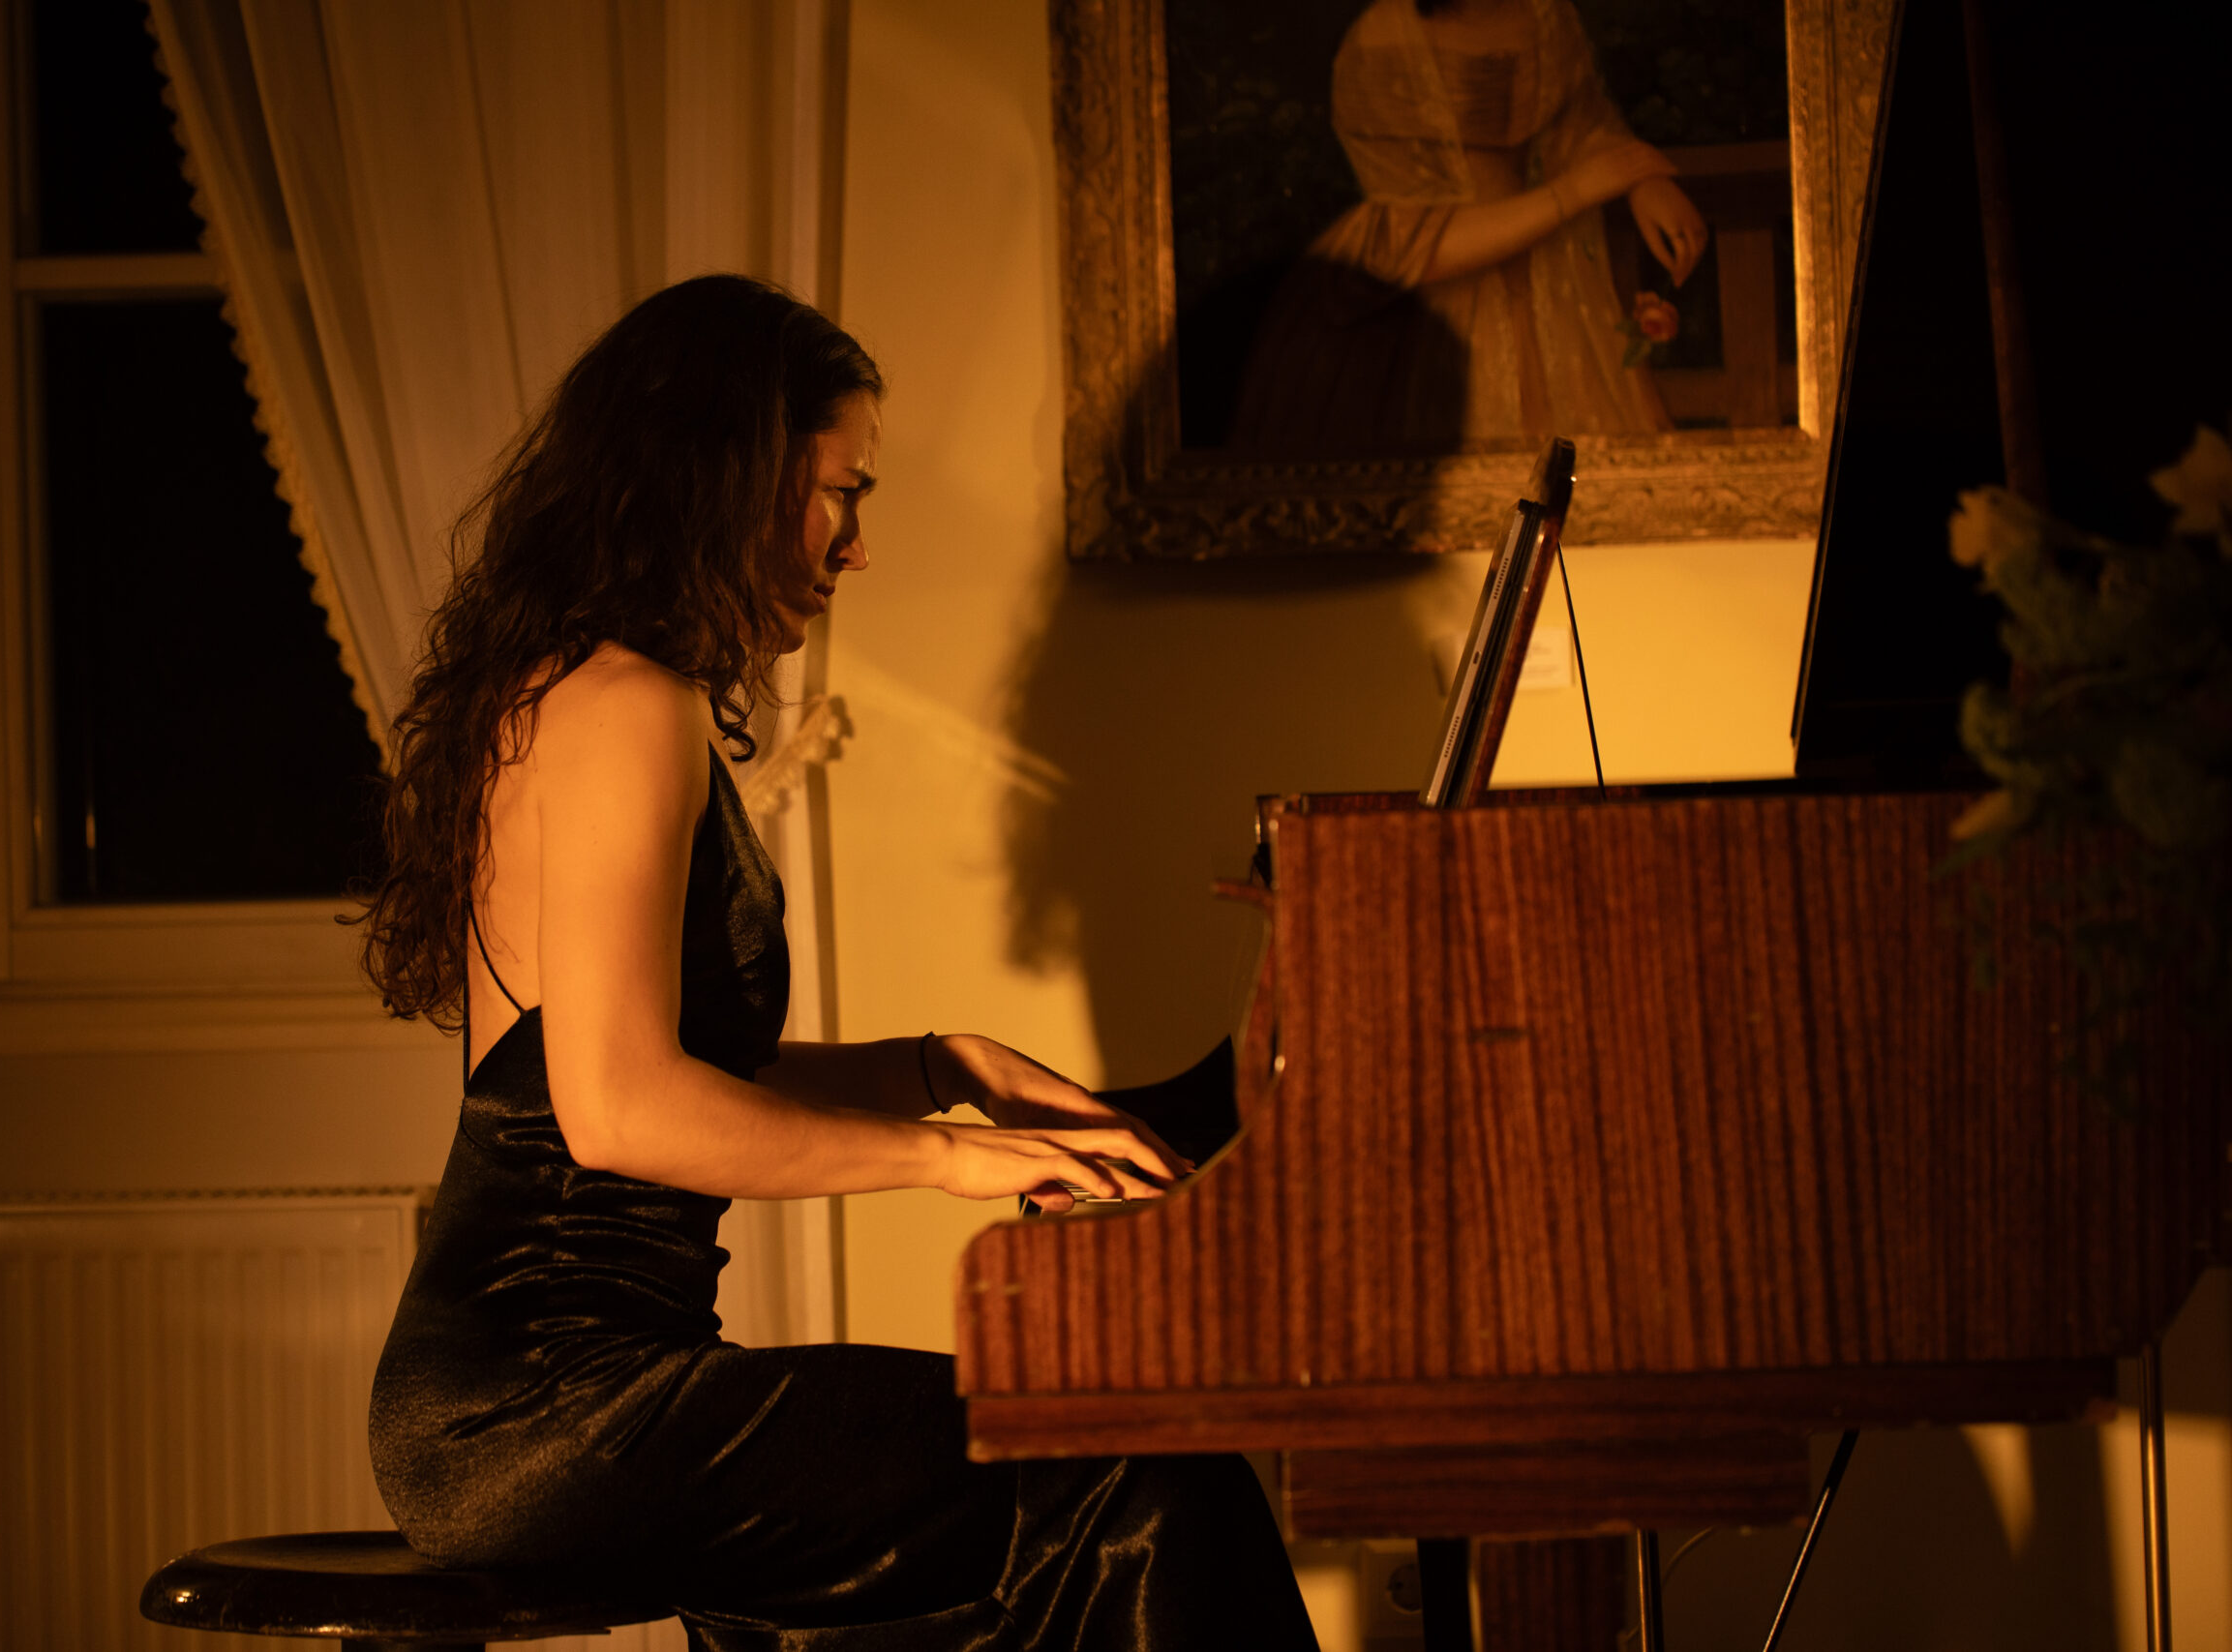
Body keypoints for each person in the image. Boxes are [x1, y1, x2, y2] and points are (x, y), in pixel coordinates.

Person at [358, 275, 1319, 1650]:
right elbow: (620, 1109)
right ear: (726, 477)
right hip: (545, 1404)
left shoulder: (578, 688)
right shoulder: (629, 705)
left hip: (532, 1397)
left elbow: (656, 1066)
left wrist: (946, 1067)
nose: (855, 546)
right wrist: (948, 1157)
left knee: (1071, 1491)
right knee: (1143, 1473)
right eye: (839, 492)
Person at [1232, 0, 1706, 455]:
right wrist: (1575, 192)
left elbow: (1578, 127)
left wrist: (1643, 178)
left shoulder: (1548, 15)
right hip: (1435, 292)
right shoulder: (1383, 35)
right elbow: (1406, 243)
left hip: (1549, 280)